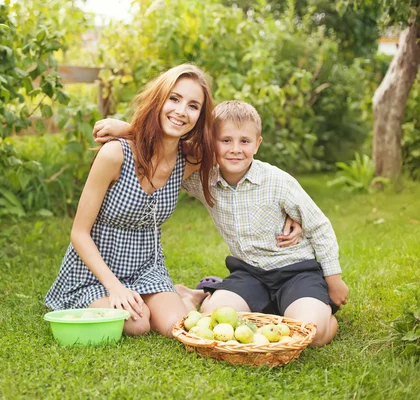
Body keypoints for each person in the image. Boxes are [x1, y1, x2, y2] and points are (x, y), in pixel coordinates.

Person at [93, 100, 347, 346]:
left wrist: (333, 280)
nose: (235, 149)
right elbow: (168, 151)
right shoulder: (203, 179)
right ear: (210, 144)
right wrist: (130, 130)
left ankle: (321, 315)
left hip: (296, 271)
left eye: (244, 141)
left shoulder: (277, 181)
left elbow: (319, 226)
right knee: (213, 319)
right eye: (225, 141)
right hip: (250, 274)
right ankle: (209, 296)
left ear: (257, 144)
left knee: (308, 332)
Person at [45, 64, 219, 338]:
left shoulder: (187, 160)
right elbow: (79, 233)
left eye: (193, 106)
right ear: (158, 100)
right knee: (138, 324)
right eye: (174, 99)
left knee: (178, 328)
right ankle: (175, 294)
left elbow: (229, 152)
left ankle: (183, 296)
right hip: (95, 274)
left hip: (147, 269)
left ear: (199, 116)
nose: (181, 111)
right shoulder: (115, 154)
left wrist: (292, 208)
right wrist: (114, 287)